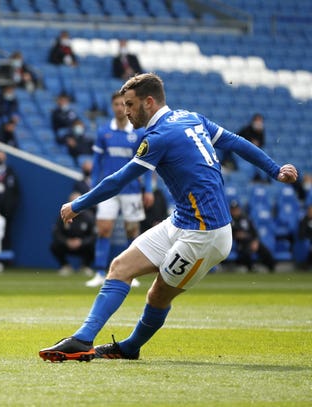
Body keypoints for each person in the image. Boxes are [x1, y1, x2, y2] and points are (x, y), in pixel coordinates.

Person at [38, 73, 297, 363]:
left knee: (157, 295)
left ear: (149, 102)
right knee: (121, 266)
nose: (126, 112)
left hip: (205, 235)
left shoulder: (159, 136)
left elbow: (119, 180)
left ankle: (130, 347)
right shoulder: (191, 117)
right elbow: (236, 142)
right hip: (182, 220)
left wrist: (78, 204)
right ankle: (83, 340)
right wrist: (274, 169)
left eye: (131, 105)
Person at [84, 92, 153, 289]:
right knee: (103, 229)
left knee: (132, 231)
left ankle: (132, 273)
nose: (119, 108)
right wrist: (93, 187)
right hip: (108, 190)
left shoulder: (138, 133)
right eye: (115, 104)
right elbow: (97, 163)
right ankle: (99, 272)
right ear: (112, 107)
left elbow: (146, 165)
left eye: (123, 104)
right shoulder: (104, 132)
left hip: (131, 189)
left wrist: (147, 189)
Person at [50, 191, 96, 277]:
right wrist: (66, 241)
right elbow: (56, 233)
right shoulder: (63, 215)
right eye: (73, 202)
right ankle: (65, 266)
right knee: (54, 245)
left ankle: (85, 266)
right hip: (67, 245)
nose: (76, 204)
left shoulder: (89, 216)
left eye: (78, 201)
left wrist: (82, 242)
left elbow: (93, 236)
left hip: (83, 246)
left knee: (94, 246)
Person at [230, 200, 276, 273]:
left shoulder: (246, 218)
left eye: (236, 209)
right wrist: (238, 235)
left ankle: (272, 268)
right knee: (246, 253)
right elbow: (234, 233)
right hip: (241, 243)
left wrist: (255, 241)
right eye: (233, 210)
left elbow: (254, 231)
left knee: (265, 250)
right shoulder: (230, 221)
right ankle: (251, 269)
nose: (235, 211)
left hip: (252, 241)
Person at [297, 204, 312, 268]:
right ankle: (307, 264)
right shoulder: (304, 220)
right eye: (310, 210)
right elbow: (301, 233)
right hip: (308, 240)